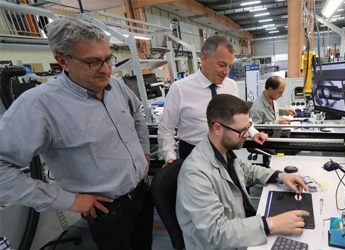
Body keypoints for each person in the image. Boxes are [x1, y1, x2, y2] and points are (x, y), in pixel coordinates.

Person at [0, 17, 153, 250]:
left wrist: (144, 154)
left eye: (108, 59)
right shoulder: (39, 106)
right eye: (93, 62)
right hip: (108, 209)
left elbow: (137, 115)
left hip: (142, 194)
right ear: (63, 61)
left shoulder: (116, 86)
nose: (106, 69)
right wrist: (68, 200)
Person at [175, 94, 310, 250]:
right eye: (241, 130)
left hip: (240, 229)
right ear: (218, 128)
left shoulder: (224, 151)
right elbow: (216, 232)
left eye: (248, 127)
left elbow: (249, 171)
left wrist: (280, 176)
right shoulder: (195, 174)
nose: (246, 135)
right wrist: (271, 224)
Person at [158, 35, 268, 165]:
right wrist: (170, 156)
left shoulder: (231, 86)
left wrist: (253, 132)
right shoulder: (180, 88)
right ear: (205, 57)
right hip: (193, 154)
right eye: (222, 65)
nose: (226, 71)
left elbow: (239, 117)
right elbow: (166, 129)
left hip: (225, 151)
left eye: (229, 66)